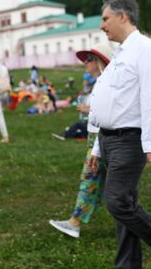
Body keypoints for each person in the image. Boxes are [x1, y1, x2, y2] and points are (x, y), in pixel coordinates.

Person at [87, 0, 151, 269]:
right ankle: (128, 264)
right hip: (110, 139)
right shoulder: (122, 51)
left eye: (105, 19)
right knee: (123, 206)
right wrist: (97, 147)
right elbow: (111, 98)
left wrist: (150, 143)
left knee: (117, 202)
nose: (102, 26)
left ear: (123, 17)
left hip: (130, 139)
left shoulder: (146, 50)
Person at [49, 43, 114, 238]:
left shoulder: (108, 82)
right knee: (99, 182)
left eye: (88, 60)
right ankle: (76, 221)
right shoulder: (100, 82)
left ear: (99, 61)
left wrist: (90, 111)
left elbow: (111, 112)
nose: (85, 64)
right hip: (96, 138)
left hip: (103, 138)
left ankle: (75, 222)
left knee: (92, 180)